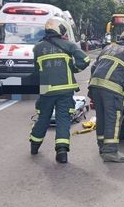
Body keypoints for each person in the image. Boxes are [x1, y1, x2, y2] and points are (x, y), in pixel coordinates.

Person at [30, 17, 90, 164]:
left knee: (43, 118)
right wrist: (73, 68)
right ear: (59, 30)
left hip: (46, 90)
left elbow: (36, 72)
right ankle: (62, 152)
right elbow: (86, 60)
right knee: (63, 120)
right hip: (65, 90)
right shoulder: (68, 45)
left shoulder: (37, 48)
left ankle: (34, 146)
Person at [89, 29, 124, 163]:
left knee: (101, 117)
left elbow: (94, 68)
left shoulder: (108, 47)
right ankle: (110, 151)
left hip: (95, 85)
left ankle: (102, 146)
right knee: (112, 118)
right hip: (111, 88)